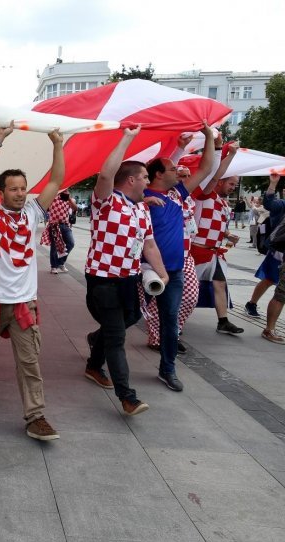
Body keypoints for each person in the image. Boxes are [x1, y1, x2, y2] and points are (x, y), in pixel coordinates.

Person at [0, 124, 64, 441]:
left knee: (30, 362)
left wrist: (57, 144)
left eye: (23, 188)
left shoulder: (35, 212)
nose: (20, 193)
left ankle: (35, 416)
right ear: (1, 192)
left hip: (23, 303)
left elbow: (57, 180)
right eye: (14, 188)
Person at [83, 127, 168, 416]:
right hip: (103, 279)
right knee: (117, 338)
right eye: (145, 176)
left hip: (129, 279)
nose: (148, 181)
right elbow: (106, 175)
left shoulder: (141, 209)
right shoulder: (106, 201)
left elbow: (150, 245)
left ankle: (95, 358)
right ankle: (127, 397)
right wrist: (128, 138)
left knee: (130, 318)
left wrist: (162, 272)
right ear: (131, 179)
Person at [141, 124, 215, 391]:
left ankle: (167, 369)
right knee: (125, 318)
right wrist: (141, 204)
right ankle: (99, 344)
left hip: (173, 272)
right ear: (158, 175)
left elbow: (206, 168)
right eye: (173, 169)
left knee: (170, 323)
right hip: (142, 271)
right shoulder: (142, 195)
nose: (179, 172)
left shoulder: (177, 194)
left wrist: (208, 137)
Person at [190, 145, 244, 334]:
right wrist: (229, 155)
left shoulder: (221, 201)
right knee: (187, 290)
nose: (233, 188)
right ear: (219, 182)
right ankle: (172, 321)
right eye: (231, 184)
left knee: (220, 283)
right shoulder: (204, 195)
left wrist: (228, 235)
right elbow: (213, 174)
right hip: (198, 251)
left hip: (214, 252)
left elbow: (215, 224)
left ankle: (223, 321)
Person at [245, 174, 284, 324]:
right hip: (279, 250)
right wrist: (273, 184)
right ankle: (252, 303)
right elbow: (269, 203)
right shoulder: (281, 205)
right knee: (270, 279)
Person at [41, 189, 76, 274]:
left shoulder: (69, 199)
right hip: (54, 225)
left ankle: (60, 262)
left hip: (66, 225)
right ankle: (54, 266)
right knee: (54, 247)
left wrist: (70, 199)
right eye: (64, 190)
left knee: (71, 243)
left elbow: (75, 208)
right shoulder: (53, 197)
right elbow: (45, 207)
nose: (66, 191)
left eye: (67, 190)